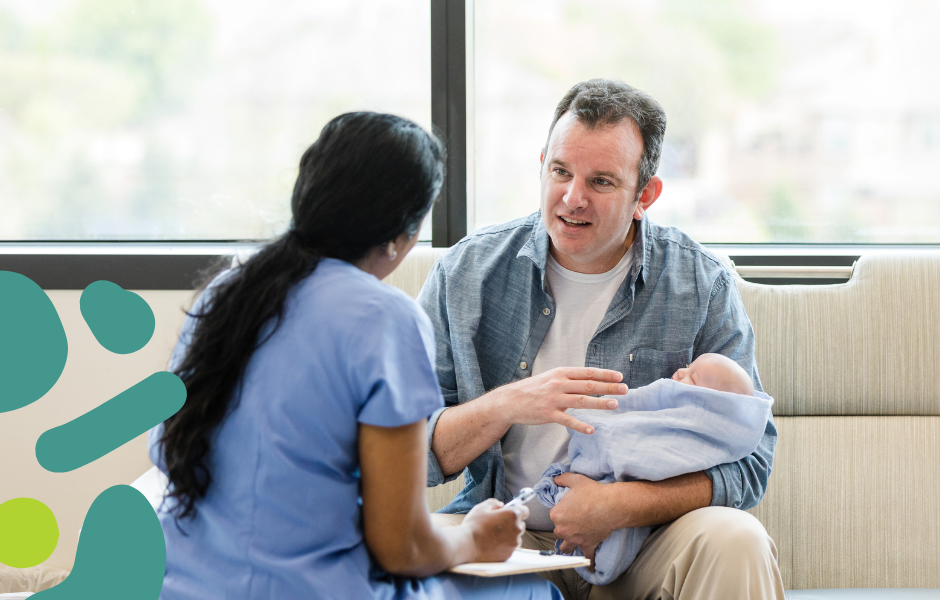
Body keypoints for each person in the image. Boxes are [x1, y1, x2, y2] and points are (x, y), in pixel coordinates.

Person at [148, 112, 562, 600]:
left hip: (175, 585)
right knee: (531, 592)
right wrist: (475, 538)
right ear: (399, 235)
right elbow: (401, 547)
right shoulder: (386, 319)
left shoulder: (226, 293)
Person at [418, 79, 786, 599]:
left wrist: (623, 506)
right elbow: (409, 449)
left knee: (736, 538)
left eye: (602, 182)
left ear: (645, 195)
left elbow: (752, 461)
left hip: (645, 541)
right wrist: (506, 405)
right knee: (408, 552)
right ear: (543, 163)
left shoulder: (701, 284)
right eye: (561, 172)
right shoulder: (465, 275)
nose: (573, 198)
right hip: (506, 533)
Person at [532, 353, 775, 586]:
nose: (680, 371)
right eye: (688, 367)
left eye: (694, 377)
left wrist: (620, 504)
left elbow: (752, 468)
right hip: (520, 531)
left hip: (651, 544)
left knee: (739, 537)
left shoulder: (709, 429)